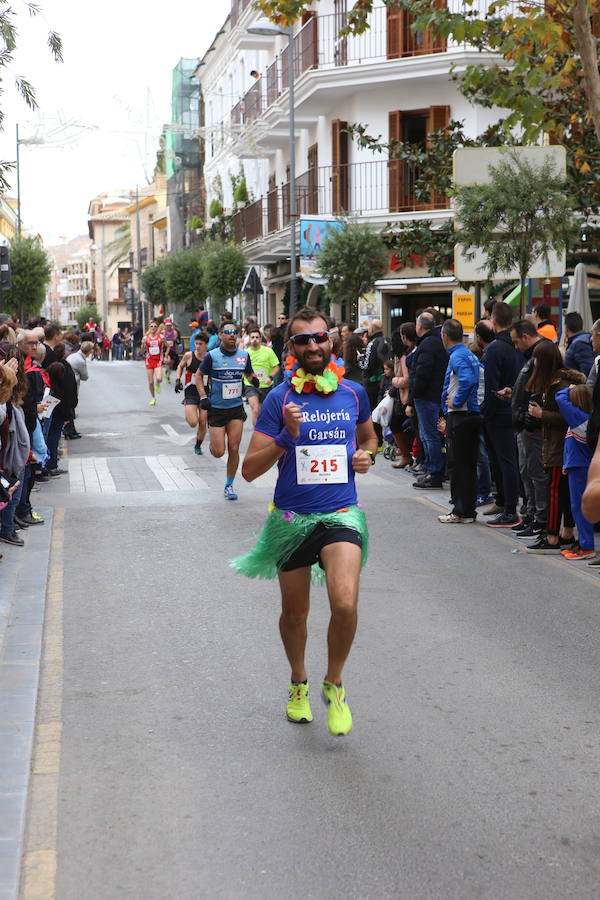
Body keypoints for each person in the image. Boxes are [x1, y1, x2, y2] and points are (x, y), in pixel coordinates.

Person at [233, 306, 377, 735]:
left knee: (345, 601)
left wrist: (368, 454)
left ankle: (334, 683)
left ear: (330, 341)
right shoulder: (280, 399)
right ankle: (299, 681)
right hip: (292, 519)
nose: (313, 345)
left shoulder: (353, 393)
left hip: (340, 512)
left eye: (319, 337)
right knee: (295, 614)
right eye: (303, 340)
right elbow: (250, 471)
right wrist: (285, 437)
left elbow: (370, 437)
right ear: (290, 347)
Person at [524, 341, 583, 553]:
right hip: (556, 443)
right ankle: (566, 532)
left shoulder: (561, 384)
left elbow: (570, 417)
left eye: (537, 357)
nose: (534, 362)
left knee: (555, 490)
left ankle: (551, 536)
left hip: (561, 444)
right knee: (564, 491)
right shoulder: (555, 381)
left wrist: (542, 415)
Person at [197, 321, 260, 500]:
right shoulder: (212, 356)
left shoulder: (243, 355)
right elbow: (199, 376)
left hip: (235, 409)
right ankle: (212, 444)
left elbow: (249, 373)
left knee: (234, 447)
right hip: (216, 409)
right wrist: (203, 397)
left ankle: (229, 485)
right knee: (218, 452)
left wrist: (253, 379)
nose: (232, 335)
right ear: (220, 335)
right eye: (228, 332)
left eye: (235, 332)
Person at [481, 301, 523, 527]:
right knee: (507, 460)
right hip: (515, 409)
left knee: (504, 461)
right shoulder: (518, 346)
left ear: (493, 320)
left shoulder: (495, 349)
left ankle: (509, 510)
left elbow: (490, 387)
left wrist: (485, 413)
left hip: (499, 412)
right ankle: (503, 501)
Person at [437, 319, 483, 524]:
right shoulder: (469, 354)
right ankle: (468, 510)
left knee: (457, 464)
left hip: (460, 415)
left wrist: (455, 401)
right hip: (471, 414)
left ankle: (460, 510)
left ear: (444, 336)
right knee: (469, 464)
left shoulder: (457, 356)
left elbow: (467, 380)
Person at [509, 319, 548, 539]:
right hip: (525, 424)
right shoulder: (533, 355)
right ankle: (532, 516)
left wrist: (529, 423)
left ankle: (539, 519)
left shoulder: (540, 354)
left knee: (535, 473)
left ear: (525, 337)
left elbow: (538, 392)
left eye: (516, 342)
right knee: (527, 472)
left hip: (530, 426)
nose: (515, 347)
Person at [555, 384, 596, 560]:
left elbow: (559, 397)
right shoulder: (586, 418)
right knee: (578, 506)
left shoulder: (579, 417)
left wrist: (568, 388)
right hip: (578, 465)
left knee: (579, 507)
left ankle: (587, 546)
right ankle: (583, 542)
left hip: (580, 467)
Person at [408, 313, 448, 489]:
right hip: (431, 395)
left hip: (427, 397)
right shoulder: (433, 342)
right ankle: (431, 470)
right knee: (428, 435)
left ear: (420, 326)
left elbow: (422, 372)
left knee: (429, 435)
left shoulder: (427, 344)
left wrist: (414, 394)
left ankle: (434, 472)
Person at [174, 332, 209, 454]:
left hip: (205, 392)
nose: (198, 346)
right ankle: (189, 412)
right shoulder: (189, 356)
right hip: (191, 392)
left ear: (206, 345)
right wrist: (178, 379)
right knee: (193, 423)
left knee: (203, 422)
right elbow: (180, 366)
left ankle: (198, 445)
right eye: (196, 343)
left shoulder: (210, 357)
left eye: (201, 344)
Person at [359, 319, 389, 448]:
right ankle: (383, 441)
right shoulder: (387, 341)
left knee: (372, 411)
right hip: (383, 381)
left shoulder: (372, 344)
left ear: (371, 330)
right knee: (379, 410)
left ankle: (377, 442)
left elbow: (366, 365)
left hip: (371, 383)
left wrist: (360, 358)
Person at [244, 326, 280, 426]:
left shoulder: (268, 351)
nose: (254, 339)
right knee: (255, 410)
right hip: (251, 386)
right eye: (252, 337)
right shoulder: (245, 353)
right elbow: (241, 369)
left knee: (263, 412)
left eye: (257, 337)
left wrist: (270, 377)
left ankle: (263, 430)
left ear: (260, 339)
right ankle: (257, 432)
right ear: (249, 339)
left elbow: (276, 367)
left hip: (266, 386)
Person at [563, 311, 595, 376]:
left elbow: (588, 371)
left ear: (566, 328)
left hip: (578, 385)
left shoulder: (580, 343)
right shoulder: (581, 340)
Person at [142, 320, 166, 405]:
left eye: (155, 326)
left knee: (159, 378)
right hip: (149, 361)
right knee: (150, 382)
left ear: (157, 328)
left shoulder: (161, 337)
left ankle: (158, 384)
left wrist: (166, 355)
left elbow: (168, 346)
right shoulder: (146, 338)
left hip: (158, 361)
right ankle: (153, 398)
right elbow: (142, 351)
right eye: (151, 326)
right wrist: (143, 345)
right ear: (149, 328)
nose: (153, 328)